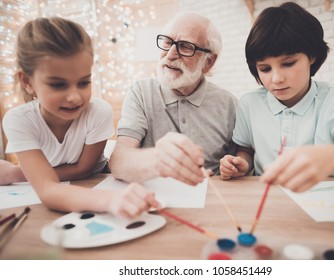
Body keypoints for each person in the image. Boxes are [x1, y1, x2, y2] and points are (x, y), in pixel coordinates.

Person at [220, 2, 334, 192]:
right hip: (267, 202)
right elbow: (246, 150)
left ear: (312, 56)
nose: (276, 79)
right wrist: (241, 163)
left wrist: (331, 157)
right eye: (265, 69)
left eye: (289, 63)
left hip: (324, 202)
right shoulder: (249, 103)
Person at [2, 17, 159, 217]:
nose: (75, 97)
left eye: (84, 82)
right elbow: (47, 189)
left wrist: (18, 174)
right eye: (58, 85)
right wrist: (110, 200)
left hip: (96, 180)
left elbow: (84, 170)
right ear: (27, 81)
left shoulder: (99, 111)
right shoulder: (18, 120)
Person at [109, 12, 237, 186]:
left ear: (208, 62)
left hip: (212, 199)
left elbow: (240, 161)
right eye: (167, 42)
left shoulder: (228, 103)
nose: (170, 54)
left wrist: (231, 167)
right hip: (155, 200)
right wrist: (159, 160)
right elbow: (118, 162)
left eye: (185, 46)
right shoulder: (141, 92)